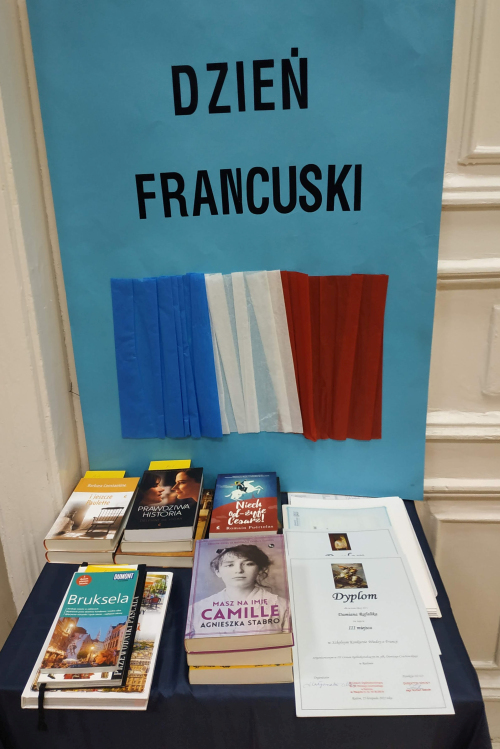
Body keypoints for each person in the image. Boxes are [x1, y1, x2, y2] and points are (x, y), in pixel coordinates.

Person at [189, 544, 290, 635]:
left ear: (260, 569)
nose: (238, 570)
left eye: (248, 564)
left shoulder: (283, 606)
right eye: (230, 565)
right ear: (218, 571)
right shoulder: (197, 609)